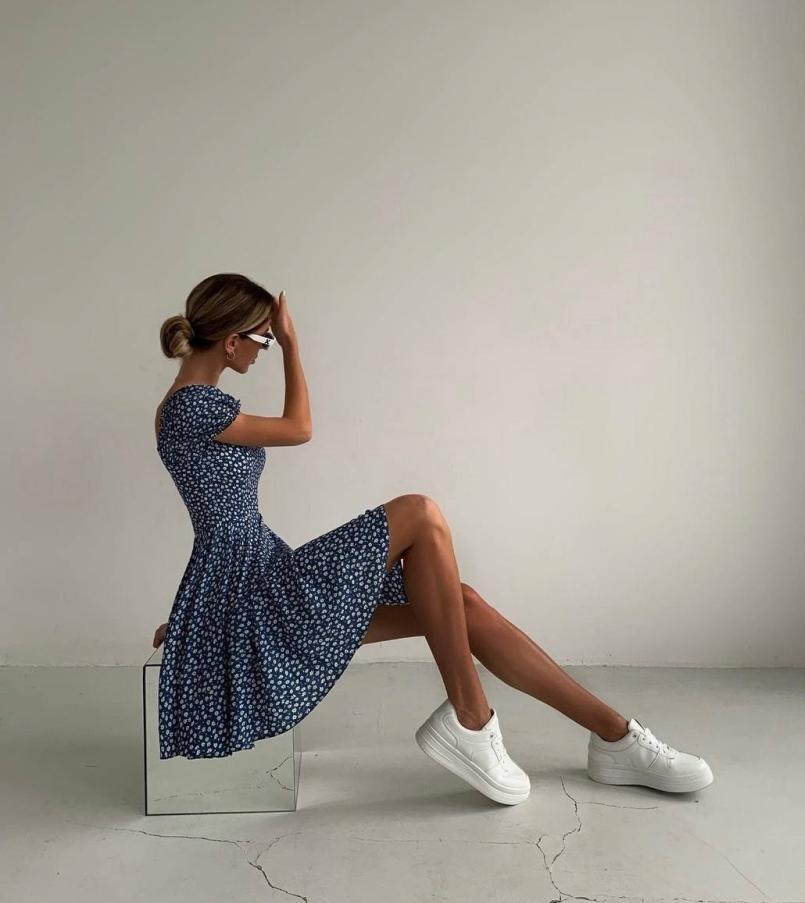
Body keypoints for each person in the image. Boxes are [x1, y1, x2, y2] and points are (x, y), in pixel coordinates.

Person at [153, 272, 713, 803]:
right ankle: (472, 717)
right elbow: (299, 428)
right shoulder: (192, 406)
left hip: (260, 576)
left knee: (461, 603)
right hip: (253, 592)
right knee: (419, 513)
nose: (264, 350)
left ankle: (615, 738)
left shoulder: (193, 407)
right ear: (232, 342)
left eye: (271, 342)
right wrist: (295, 346)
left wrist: (195, 616)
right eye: (263, 340)